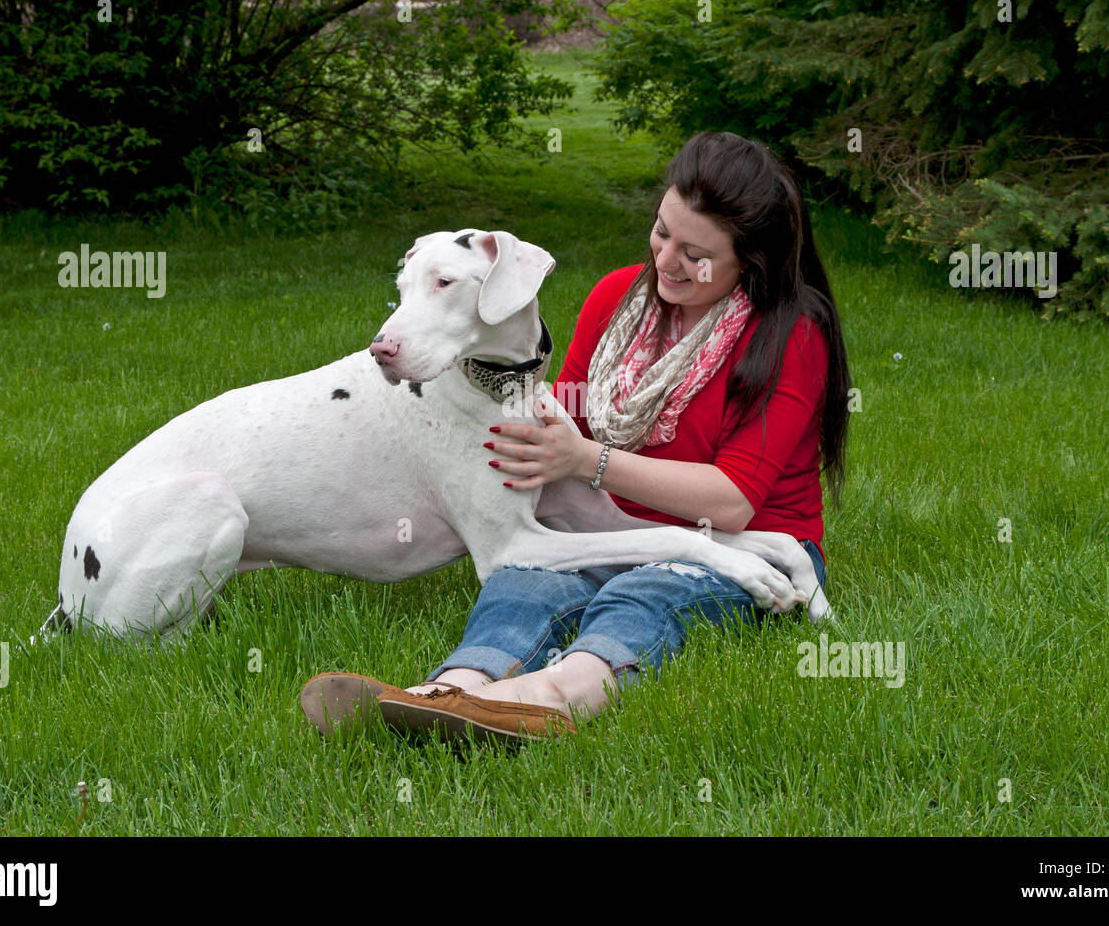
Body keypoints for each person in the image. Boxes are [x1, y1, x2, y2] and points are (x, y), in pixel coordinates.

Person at [301, 131, 851, 740]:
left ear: (752, 259)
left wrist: (586, 460)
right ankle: (450, 693)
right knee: (524, 582)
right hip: (611, 527)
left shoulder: (789, 333)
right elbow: (563, 423)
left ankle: (549, 701)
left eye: (695, 253)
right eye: (662, 232)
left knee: (646, 594)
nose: (666, 260)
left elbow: (731, 500)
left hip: (743, 544)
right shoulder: (618, 298)